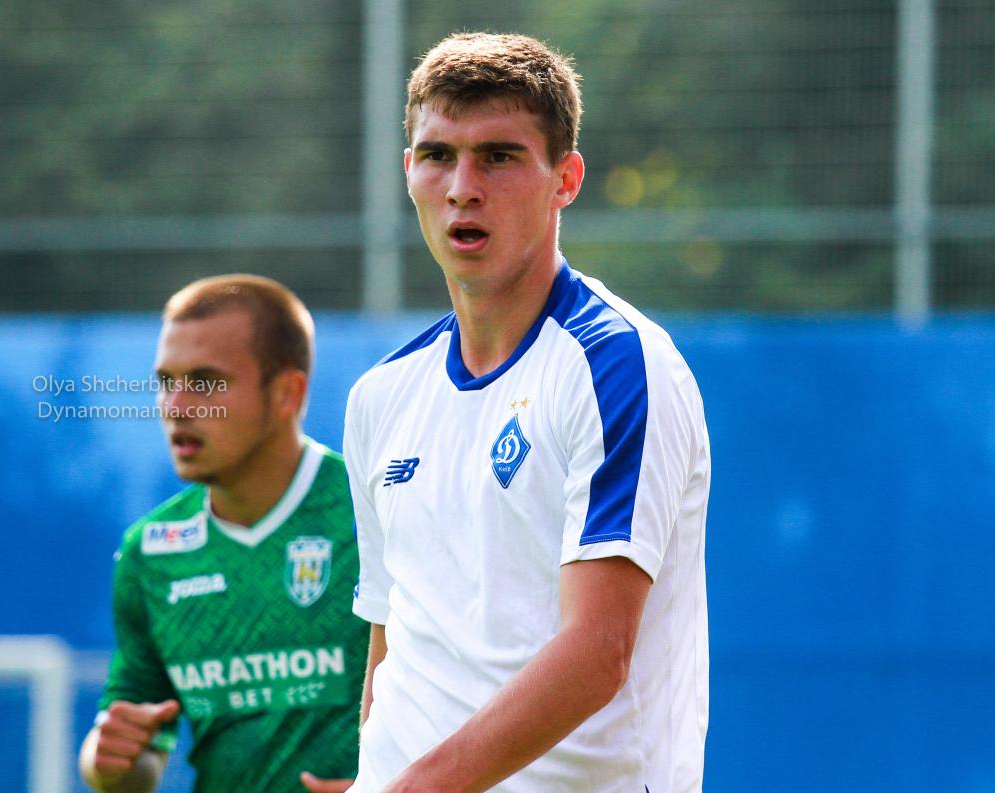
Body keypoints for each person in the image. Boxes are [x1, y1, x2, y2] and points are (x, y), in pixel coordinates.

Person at [320, 32, 710, 793]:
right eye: (438, 156)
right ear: (408, 172)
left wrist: (417, 788)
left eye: (498, 156)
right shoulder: (380, 395)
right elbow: (393, 640)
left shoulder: (618, 365)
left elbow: (598, 652)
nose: (463, 187)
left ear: (566, 179)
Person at [79, 274, 368, 793]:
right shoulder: (152, 551)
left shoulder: (371, 513)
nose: (176, 406)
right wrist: (109, 762)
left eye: (206, 383)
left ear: (287, 393)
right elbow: (138, 749)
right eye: (166, 381)